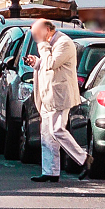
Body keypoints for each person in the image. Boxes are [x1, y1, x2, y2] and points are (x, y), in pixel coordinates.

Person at [29, 19, 90, 183]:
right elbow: (45, 65)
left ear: (47, 30)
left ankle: (84, 158)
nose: (37, 38)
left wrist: (42, 46)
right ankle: (50, 171)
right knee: (46, 134)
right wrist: (36, 62)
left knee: (57, 129)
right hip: (48, 94)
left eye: (38, 34)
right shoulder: (50, 45)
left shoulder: (64, 43)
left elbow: (52, 63)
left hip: (60, 95)